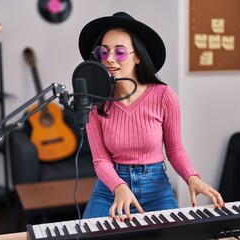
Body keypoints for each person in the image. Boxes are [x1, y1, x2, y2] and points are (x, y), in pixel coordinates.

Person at [78, 12, 224, 221]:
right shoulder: (95, 101)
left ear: (137, 57)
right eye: (103, 52)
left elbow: (175, 150)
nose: (109, 59)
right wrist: (119, 187)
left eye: (119, 52)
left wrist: (192, 177)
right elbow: (100, 160)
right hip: (110, 188)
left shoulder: (164, 96)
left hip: (155, 188)